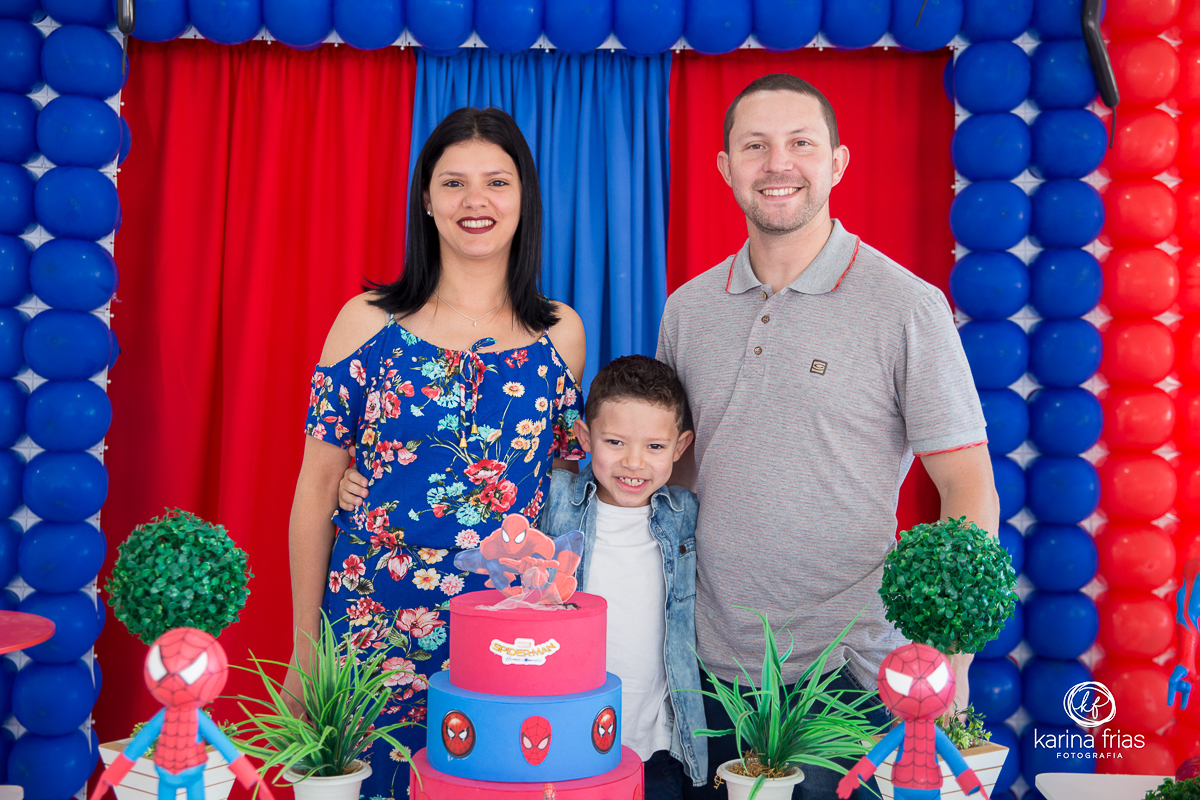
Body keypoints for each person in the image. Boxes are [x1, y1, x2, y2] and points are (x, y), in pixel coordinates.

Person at [657, 74, 999, 800]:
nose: (778, 163)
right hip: (707, 671)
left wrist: (950, 651)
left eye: (800, 144)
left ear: (838, 163)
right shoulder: (686, 312)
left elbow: (968, 488)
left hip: (848, 675)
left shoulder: (906, 305)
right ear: (725, 167)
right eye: (755, 146)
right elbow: (674, 478)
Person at [289, 106, 586, 800]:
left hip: (504, 639)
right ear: (426, 199)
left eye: (496, 182)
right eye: (452, 183)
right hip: (368, 630)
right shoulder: (367, 321)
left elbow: (565, 494)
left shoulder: (559, 334)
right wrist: (305, 644)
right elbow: (313, 491)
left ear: (524, 198)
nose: (474, 201)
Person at [340, 355, 709, 800]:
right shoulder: (553, 498)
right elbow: (468, 489)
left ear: (681, 445)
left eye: (654, 447)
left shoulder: (687, 514)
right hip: (556, 745)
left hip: (657, 750)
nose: (634, 462)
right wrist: (361, 487)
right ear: (584, 437)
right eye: (614, 441)